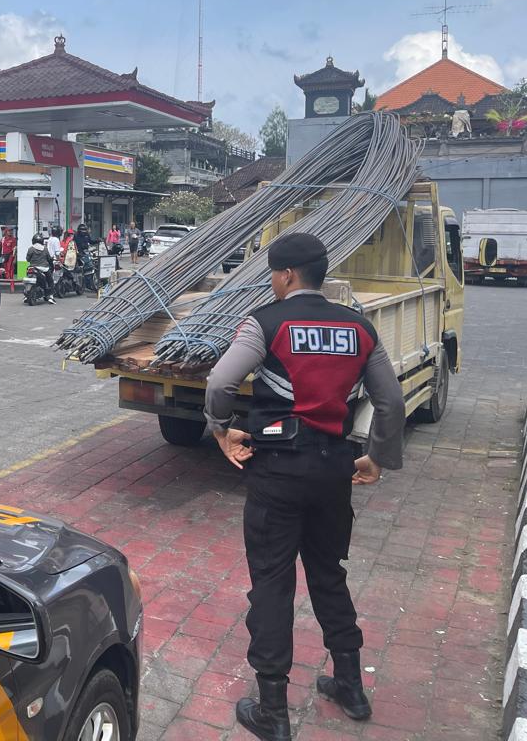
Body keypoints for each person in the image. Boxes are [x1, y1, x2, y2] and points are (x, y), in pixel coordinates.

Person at [203, 233, 406, 741]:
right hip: (334, 470)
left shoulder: (266, 322)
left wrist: (221, 430)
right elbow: (391, 402)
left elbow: (220, 383)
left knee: (272, 583)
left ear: (287, 275)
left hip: (277, 473)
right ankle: (351, 687)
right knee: (329, 575)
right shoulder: (359, 327)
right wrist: (378, 457)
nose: (273, 282)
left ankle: (273, 710)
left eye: (274, 274)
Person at [25, 233, 55, 303]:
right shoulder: (45, 249)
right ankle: (51, 296)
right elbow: (49, 259)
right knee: (50, 281)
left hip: (32, 268)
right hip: (44, 269)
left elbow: (28, 259)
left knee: (28, 278)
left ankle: (26, 296)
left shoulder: (31, 249)